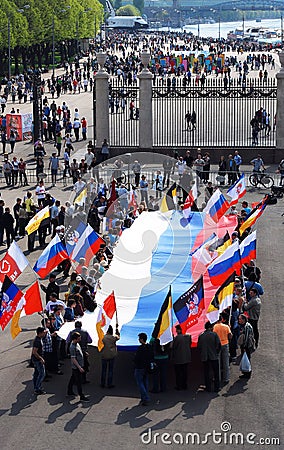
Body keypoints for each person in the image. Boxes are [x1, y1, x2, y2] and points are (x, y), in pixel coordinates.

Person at [197, 321, 221, 392]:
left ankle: (208, 387)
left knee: (206, 372)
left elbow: (199, 347)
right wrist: (216, 353)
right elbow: (218, 345)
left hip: (205, 356)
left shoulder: (201, 336)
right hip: (213, 356)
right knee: (216, 372)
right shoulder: (214, 335)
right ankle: (217, 387)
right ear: (211, 327)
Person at [67, 332, 90, 401]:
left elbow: (79, 351)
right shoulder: (72, 347)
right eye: (79, 338)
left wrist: (84, 353)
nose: (80, 339)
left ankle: (69, 391)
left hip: (78, 365)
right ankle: (82, 396)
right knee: (79, 382)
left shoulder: (76, 344)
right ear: (75, 339)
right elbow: (73, 358)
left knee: (73, 378)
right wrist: (79, 367)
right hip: (76, 367)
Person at [134, 333, 153, 406]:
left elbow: (137, 358)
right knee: (145, 382)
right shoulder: (149, 347)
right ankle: (144, 397)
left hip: (139, 367)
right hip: (146, 367)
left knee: (140, 383)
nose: (138, 340)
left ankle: (145, 397)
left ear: (142, 339)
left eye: (139, 339)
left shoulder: (140, 348)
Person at [213, 313, 232, 384]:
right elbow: (230, 336)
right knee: (225, 362)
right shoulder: (226, 327)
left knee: (218, 362)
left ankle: (218, 378)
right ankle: (226, 378)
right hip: (225, 344)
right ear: (222, 319)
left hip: (217, 345)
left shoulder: (215, 327)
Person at [172, 325, 192, 391]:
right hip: (186, 357)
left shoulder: (176, 338)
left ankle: (179, 386)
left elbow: (173, 347)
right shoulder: (188, 337)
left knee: (178, 373)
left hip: (178, 358)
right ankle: (184, 385)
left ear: (178, 330)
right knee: (185, 372)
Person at [237, 314, 255, 379]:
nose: (239, 320)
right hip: (246, 345)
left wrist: (244, 347)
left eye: (240, 319)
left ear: (243, 320)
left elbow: (246, 338)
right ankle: (245, 372)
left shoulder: (246, 327)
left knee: (247, 358)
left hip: (246, 346)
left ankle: (247, 373)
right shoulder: (244, 326)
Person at [31, 327, 47, 395]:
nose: (44, 333)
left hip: (35, 360)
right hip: (37, 360)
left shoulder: (39, 338)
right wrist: (41, 359)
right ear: (40, 333)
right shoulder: (37, 341)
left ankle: (36, 387)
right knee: (42, 374)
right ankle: (38, 388)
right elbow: (34, 352)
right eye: (43, 332)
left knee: (36, 374)